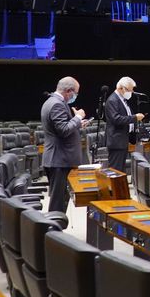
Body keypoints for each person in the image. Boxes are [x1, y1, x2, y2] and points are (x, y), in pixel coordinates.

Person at [42, 76, 90, 214]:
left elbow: (62, 127)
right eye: (76, 93)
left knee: (61, 201)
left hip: (59, 159)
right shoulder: (57, 104)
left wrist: (78, 124)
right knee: (57, 203)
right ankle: (53, 232)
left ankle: (56, 231)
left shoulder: (53, 101)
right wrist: (78, 117)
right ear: (69, 91)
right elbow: (63, 130)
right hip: (59, 160)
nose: (75, 96)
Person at [104, 76, 144, 172]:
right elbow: (116, 119)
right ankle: (114, 187)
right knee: (115, 171)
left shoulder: (122, 99)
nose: (131, 92)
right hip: (116, 141)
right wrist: (135, 118)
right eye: (129, 90)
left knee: (121, 171)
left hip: (123, 140)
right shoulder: (112, 100)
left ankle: (119, 187)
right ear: (121, 88)